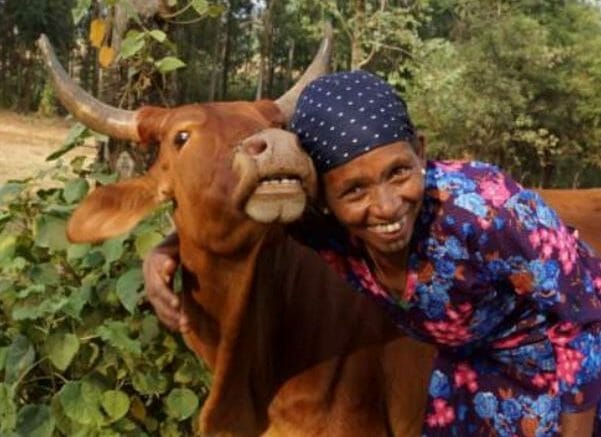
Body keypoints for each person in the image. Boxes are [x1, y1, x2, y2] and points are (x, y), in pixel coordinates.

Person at [144, 70, 601, 436]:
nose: (385, 208)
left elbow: (582, 324)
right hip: (464, 374)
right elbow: (237, 218)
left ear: (421, 152)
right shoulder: (327, 230)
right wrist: (165, 251)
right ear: (320, 196)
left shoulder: (492, 213)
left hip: (554, 374)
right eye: (355, 189)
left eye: (399, 172)